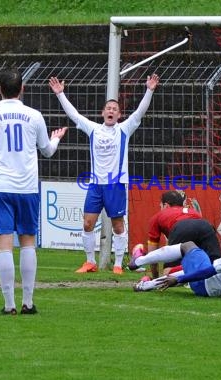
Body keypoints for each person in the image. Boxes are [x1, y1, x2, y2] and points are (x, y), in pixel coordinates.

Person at [0, 68, 67, 315]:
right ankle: (28, 303)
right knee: (28, 243)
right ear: (22, 89)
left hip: (0, 187)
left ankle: (9, 305)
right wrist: (56, 139)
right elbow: (47, 151)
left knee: (4, 246)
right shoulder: (34, 115)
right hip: (27, 187)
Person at [48, 73, 160, 275]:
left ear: (119, 115)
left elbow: (140, 112)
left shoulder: (125, 129)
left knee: (117, 225)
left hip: (116, 184)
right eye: (108, 108)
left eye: (115, 109)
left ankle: (118, 264)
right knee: (87, 222)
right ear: (102, 113)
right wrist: (60, 95)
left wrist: (149, 90)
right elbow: (75, 115)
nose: (111, 111)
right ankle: (90, 262)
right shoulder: (93, 129)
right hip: (95, 184)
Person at [131, 218, 221, 297]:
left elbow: (208, 272)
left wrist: (179, 279)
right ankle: (145, 286)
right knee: (201, 263)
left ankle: (137, 261)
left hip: (204, 286)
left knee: (188, 246)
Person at [141, 190, 221, 278]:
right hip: (206, 225)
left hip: (181, 227)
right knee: (215, 263)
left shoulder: (157, 216)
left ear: (166, 205)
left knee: (168, 273)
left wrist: (155, 276)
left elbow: (152, 253)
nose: (160, 208)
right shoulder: (192, 211)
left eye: (160, 205)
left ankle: (191, 270)